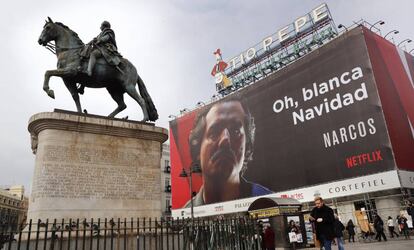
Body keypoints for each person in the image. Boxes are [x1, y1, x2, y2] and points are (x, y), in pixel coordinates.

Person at [183, 98, 272, 207]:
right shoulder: (187, 211)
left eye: (235, 131)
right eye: (214, 132)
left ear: (247, 146)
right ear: (197, 149)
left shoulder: (268, 201)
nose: (225, 140)